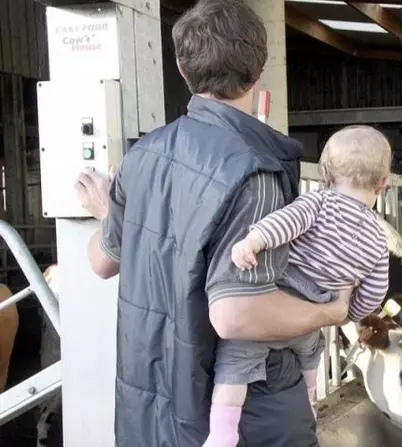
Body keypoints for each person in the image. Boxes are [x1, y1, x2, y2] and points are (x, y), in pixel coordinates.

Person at [74, 1, 351, 445]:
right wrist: (331, 312)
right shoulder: (254, 172)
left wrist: (110, 214)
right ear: (258, 70)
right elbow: (237, 315)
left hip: (152, 404)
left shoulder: (141, 157)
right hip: (246, 416)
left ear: (182, 68)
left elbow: (103, 262)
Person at [205, 126, 392, 446]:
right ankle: (309, 400)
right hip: (315, 317)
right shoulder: (378, 237)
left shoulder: (319, 202)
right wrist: (346, 313)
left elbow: (286, 223)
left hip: (281, 303)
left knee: (236, 358)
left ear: (325, 175)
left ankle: (222, 434)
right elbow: (376, 289)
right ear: (383, 183)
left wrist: (253, 240)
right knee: (310, 357)